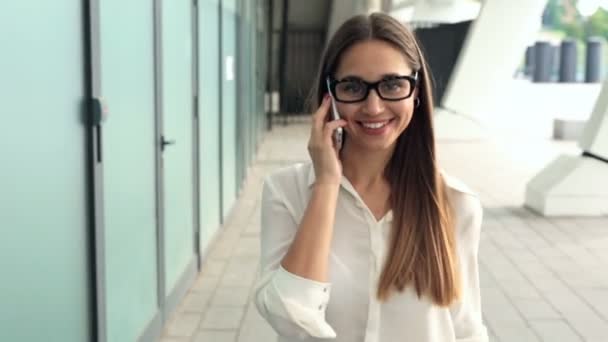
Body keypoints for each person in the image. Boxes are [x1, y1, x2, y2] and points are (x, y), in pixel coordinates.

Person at [254, 12, 489, 342]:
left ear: (416, 91)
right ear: (329, 95)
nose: (374, 107)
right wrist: (325, 185)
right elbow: (290, 320)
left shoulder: (456, 203)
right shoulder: (286, 191)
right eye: (352, 87)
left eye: (393, 84)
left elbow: (465, 328)